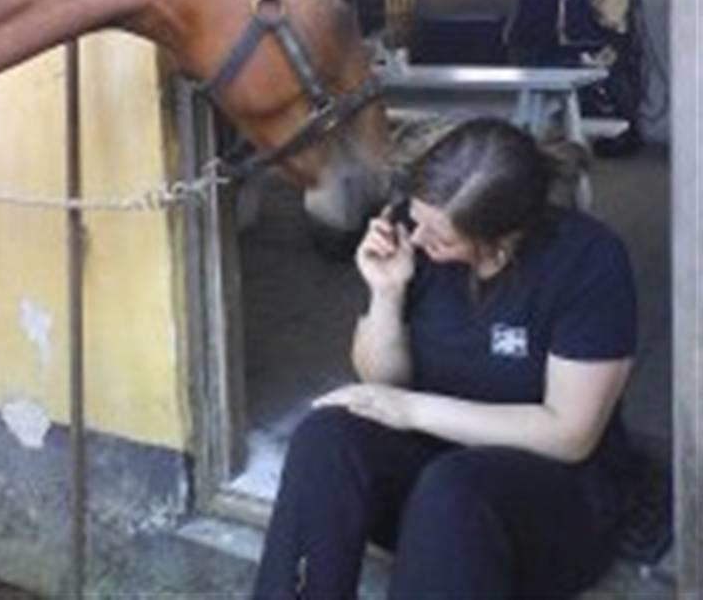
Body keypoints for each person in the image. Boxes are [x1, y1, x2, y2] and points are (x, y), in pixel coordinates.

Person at [253, 117, 637, 600]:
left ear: (500, 241)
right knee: (325, 434)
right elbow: (381, 379)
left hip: (550, 508)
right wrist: (387, 293)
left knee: (452, 489)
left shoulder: (586, 260)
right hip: (430, 495)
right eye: (416, 220)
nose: (416, 240)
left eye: (439, 236)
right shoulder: (409, 229)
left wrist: (415, 411)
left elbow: (570, 435)